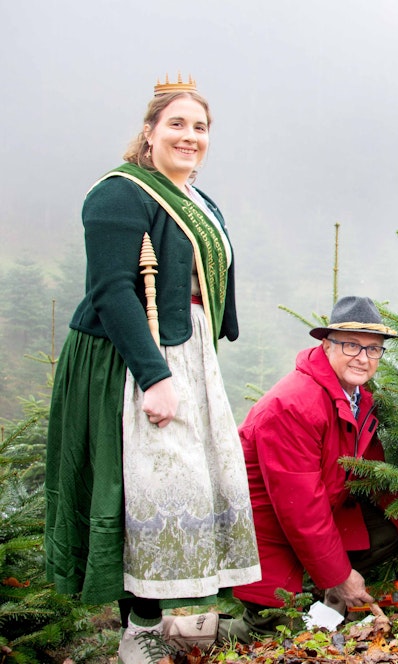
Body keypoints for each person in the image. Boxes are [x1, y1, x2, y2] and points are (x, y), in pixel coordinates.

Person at [44, 75, 260, 664]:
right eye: (177, 124)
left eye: (200, 127)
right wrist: (154, 375)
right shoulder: (118, 195)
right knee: (150, 484)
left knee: (194, 482)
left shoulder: (194, 196)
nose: (190, 137)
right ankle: (139, 628)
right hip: (130, 355)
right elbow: (114, 291)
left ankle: (183, 618)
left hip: (185, 349)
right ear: (149, 131)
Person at [218, 296, 398, 643]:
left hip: (313, 518)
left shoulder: (354, 396)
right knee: (270, 636)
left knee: (391, 531)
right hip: (265, 532)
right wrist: (340, 576)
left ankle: (317, 589)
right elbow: (300, 511)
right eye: (352, 345)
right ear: (326, 345)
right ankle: (180, 634)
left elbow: (371, 471)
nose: (363, 357)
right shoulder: (294, 405)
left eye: (374, 349)